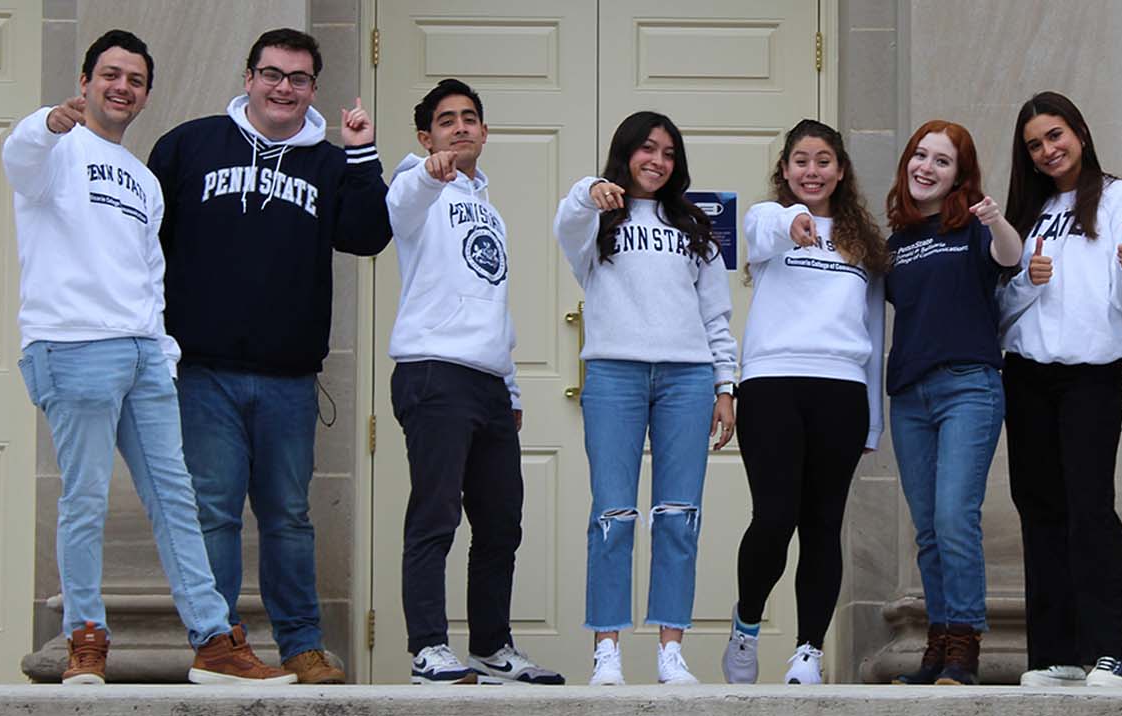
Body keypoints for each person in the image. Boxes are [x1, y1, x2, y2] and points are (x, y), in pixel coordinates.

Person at [3, 29, 294, 686]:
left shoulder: (141, 178)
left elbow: (147, 273)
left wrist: (160, 353)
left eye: (134, 80)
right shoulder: (53, 151)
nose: (121, 88)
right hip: (73, 347)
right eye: (110, 75)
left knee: (176, 499)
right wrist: (47, 123)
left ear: (145, 94)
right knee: (85, 499)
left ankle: (214, 640)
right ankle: (85, 637)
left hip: (142, 355)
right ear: (84, 82)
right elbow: (19, 155)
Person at [146, 27, 392, 685]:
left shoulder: (330, 163)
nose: (284, 88)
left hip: (289, 377)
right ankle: (218, 642)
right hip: (203, 371)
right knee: (215, 512)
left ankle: (302, 645)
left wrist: (363, 151)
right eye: (272, 74)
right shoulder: (188, 146)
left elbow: (369, 236)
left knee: (288, 517)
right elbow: (140, 244)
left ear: (314, 87)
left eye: (299, 78)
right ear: (248, 76)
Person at [385, 78, 564, 686]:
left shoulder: (489, 208)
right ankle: (428, 647)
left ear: (484, 132)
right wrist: (429, 173)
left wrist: (510, 387)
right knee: (435, 516)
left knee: (500, 523)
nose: (459, 127)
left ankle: (492, 646)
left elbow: (493, 303)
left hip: (488, 381)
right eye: (445, 120)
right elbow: (402, 203)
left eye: (469, 119)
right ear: (425, 135)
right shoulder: (418, 186)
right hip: (433, 370)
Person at [553, 110, 737, 686]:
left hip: (687, 378)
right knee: (612, 512)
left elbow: (716, 314)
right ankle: (606, 646)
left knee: (679, 515)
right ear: (625, 152)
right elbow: (566, 216)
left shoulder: (694, 227)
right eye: (646, 149)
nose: (657, 161)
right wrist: (592, 189)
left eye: (668, 153)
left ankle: (670, 648)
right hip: (614, 375)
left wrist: (725, 385)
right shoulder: (596, 219)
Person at [997, 91, 1122, 688]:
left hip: (1091, 374)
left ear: (1081, 134)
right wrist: (1026, 283)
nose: (1047, 150)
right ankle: (1055, 654)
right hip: (1027, 374)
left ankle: (1109, 653)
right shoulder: (1028, 210)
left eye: (1056, 135)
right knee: (1040, 511)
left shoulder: (1118, 197)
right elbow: (1005, 309)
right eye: (1035, 143)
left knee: (1089, 508)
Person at [721, 119, 887, 685]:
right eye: (800, 162)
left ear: (840, 171)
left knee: (822, 524)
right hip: (772, 386)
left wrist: (873, 420)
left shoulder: (862, 241)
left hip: (840, 390)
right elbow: (765, 225)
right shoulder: (767, 224)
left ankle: (807, 651)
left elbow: (875, 334)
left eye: (822, 161)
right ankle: (745, 628)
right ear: (785, 171)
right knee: (774, 517)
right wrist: (793, 221)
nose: (811, 171)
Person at [882, 120, 1023, 686]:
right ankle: (937, 645)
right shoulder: (896, 242)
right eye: (920, 155)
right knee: (927, 527)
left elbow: (1011, 259)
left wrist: (996, 220)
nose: (927, 167)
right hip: (910, 394)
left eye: (942, 161)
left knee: (953, 517)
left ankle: (964, 646)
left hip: (969, 385)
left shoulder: (973, 228)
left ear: (960, 175)